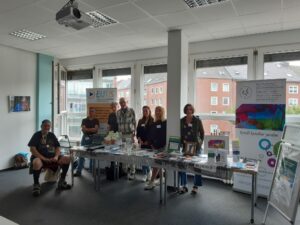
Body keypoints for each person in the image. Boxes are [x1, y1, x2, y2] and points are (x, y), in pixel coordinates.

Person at [28, 120, 71, 196]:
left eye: (48, 126)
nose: (47, 127)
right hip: (40, 158)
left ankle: (61, 181)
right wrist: (44, 158)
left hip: (52, 157)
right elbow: (32, 149)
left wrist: (56, 156)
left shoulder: (52, 135)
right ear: (41, 126)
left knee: (67, 159)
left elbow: (57, 147)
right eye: (45, 126)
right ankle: (36, 184)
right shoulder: (36, 135)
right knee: (36, 163)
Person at [178, 103, 204, 195]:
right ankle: (184, 185)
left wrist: (200, 143)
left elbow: (202, 133)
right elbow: (180, 133)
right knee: (182, 165)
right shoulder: (181, 121)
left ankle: (195, 186)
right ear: (185, 110)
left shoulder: (197, 120)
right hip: (185, 147)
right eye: (187, 109)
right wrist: (182, 142)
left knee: (197, 167)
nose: (189, 110)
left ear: (192, 110)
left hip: (196, 147)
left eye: (190, 109)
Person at [144, 106, 167, 190]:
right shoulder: (154, 123)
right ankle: (161, 178)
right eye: (156, 110)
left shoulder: (165, 122)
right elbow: (151, 135)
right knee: (157, 164)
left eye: (159, 111)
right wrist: (151, 144)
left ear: (162, 112)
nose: (157, 112)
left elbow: (165, 136)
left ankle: (152, 181)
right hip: (154, 147)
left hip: (163, 147)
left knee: (156, 165)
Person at [74, 107, 99, 177]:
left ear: (95, 113)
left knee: (93, 154)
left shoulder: (96, 120)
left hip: (93, 138)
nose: (91, 113)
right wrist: (91, 129)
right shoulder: (84, 120)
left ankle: (92, 170)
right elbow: (84, 130)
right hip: (85, 138)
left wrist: (87, 129)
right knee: (81, 154)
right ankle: (79, 171)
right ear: (88, 112)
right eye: (90, 111)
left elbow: (96, 130)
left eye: (93, 111)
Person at [116, 97, 136, 180]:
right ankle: (125, 171)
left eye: (123, 102)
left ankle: (132, 171)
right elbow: (118, 124)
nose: (122, 103)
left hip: (129, 134)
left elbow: (134, 122)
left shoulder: (131, 111)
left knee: (130, 153)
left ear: (126, 102)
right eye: (120, 102)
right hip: (121, 135)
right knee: (123, 153)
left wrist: (134, 133)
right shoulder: (118, 112)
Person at [136, 105, 154, 182]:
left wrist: (148, 141)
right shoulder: (140, 121)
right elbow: (138, 132)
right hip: (142, 143)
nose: (145, 112)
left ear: (149, 111)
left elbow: (153, 133)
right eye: (143, 111)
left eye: (146, 110)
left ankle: (149, 172)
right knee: (143, 159)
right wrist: (139, 139)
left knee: (148, 159)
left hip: (149, 144)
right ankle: (144, 174)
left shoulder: (153, 120)